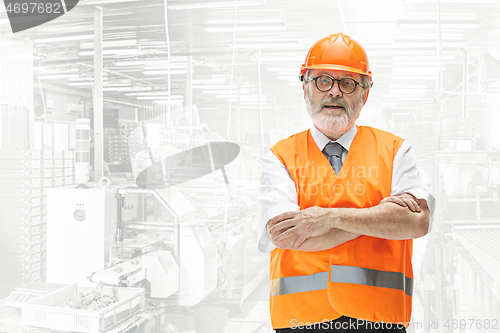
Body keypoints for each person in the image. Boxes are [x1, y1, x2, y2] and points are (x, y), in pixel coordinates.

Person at [258, 33, 435, 332]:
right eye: (323, 81)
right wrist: (379, 217)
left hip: (380, 318)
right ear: (305, 89)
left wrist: (328, 217)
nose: (335, 92)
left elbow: (416, 223)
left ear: (364, 95)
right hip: (300, 319)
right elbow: (286, 236)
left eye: (348, 83)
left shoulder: (396, 150)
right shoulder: (279, 158)